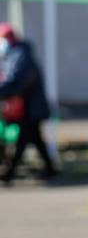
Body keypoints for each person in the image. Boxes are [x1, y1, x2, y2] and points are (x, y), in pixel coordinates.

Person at [0, 23, 58, 185]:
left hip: (29, 107)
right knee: (35, 139)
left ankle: (10, 173)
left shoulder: (21, 54)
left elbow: (16, 81)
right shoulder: (14, 54)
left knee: (24, 139)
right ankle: (50, 169)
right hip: (26, 107)